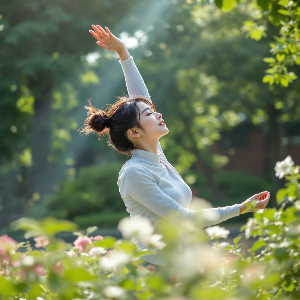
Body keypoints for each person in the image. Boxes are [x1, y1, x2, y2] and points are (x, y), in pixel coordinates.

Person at [82, 24, 270, 267]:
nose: (158, 114)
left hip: (174, 268)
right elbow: (185, 219)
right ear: (134, 132)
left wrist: (123, 53)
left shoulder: (156, 157)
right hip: (150, 270)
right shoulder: (134, 173)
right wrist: (242, 208)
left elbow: (140, 97)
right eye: (149, 114)